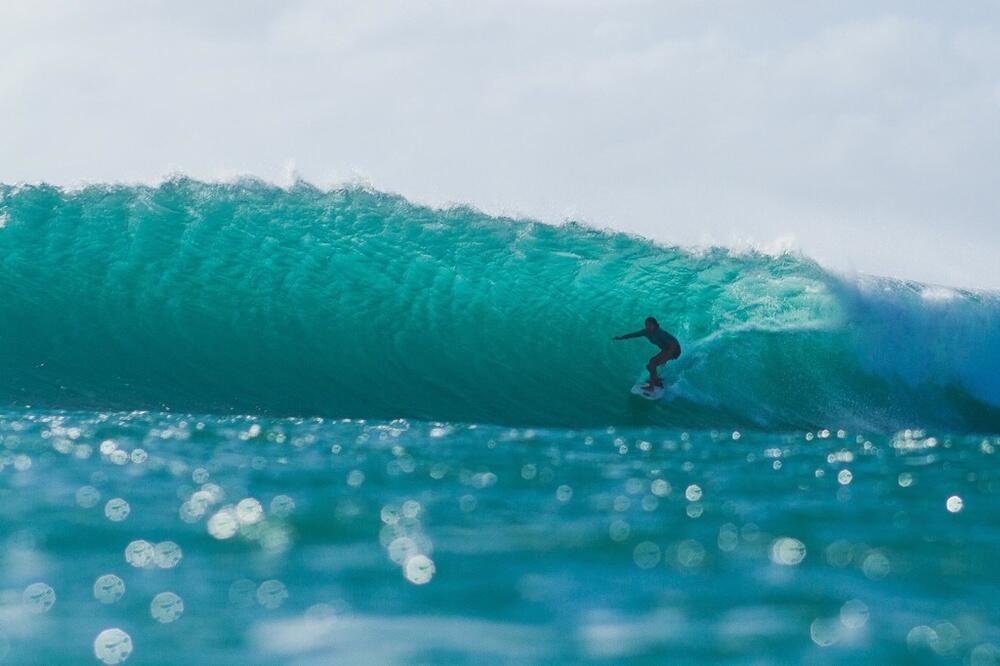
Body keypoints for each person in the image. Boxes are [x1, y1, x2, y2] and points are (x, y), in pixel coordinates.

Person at [613, 317, 682, 389]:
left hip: (675, 350)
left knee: (652, 363)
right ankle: (656, 381)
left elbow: (674, 344)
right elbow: (633, 334)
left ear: (655, 326)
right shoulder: (646, 332)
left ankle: (651, 387)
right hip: (665, 349)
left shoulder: (660, 332)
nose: (648, 326)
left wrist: (667, 356)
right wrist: (621, 338)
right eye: (646, 324)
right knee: (649, 366)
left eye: (650, 325)